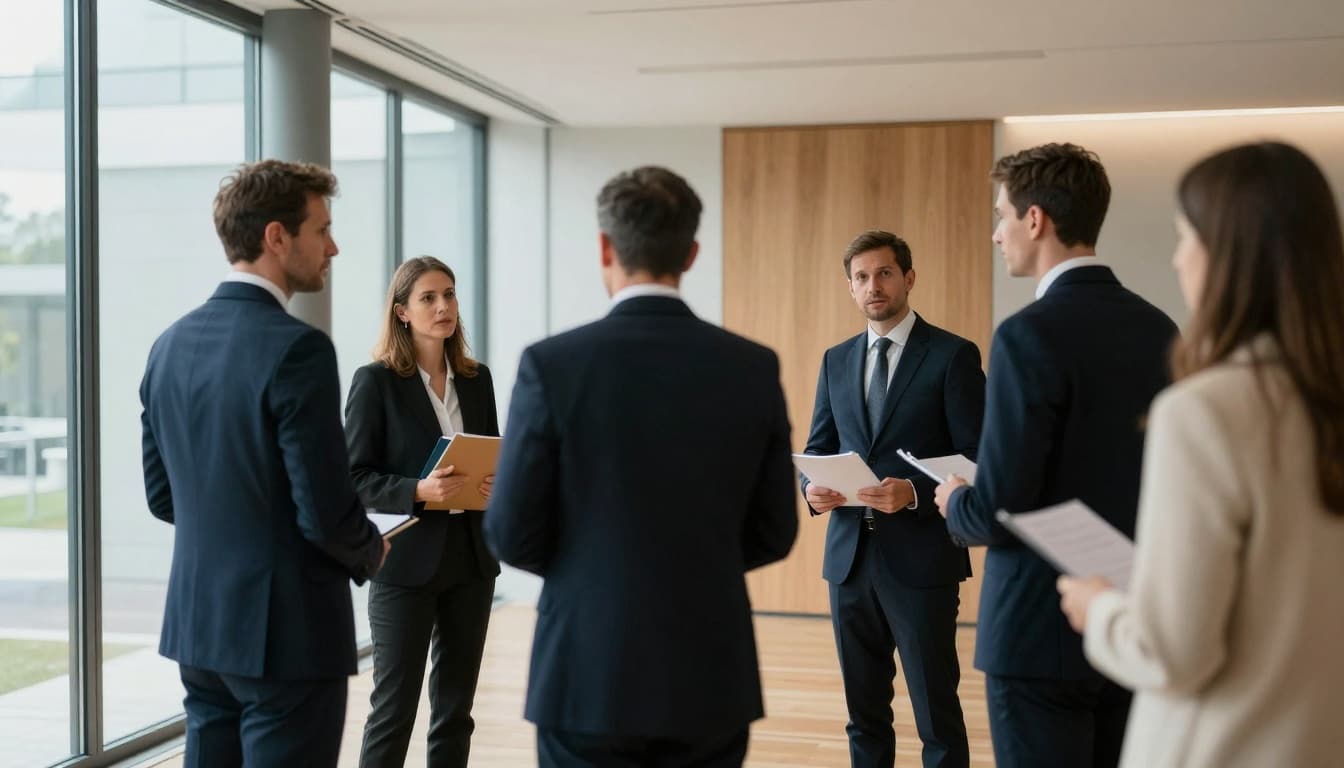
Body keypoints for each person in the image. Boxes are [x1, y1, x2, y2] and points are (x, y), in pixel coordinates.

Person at [484, 165, 798, 768]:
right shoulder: (751, 367)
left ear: (605, 247)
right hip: (710, 672)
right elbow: (774, 531)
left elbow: (509, 532)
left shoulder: (552, 365)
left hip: (586, 672)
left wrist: (590, 573)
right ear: (693, 252)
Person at [1057, 141, 1344, 768]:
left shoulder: (1205, 411)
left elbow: (1172, 651)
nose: (1177, 257)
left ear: (1230, 256)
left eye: (1186, 236)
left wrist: (1099, 608)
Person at [932, 143, 1178, 768]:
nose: (996, 234)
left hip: (1036, 632)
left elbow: (999, 507)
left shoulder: (1026, 335)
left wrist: (956, 500)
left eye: (1001, 215)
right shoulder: (1160, 330)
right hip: (1129, 612)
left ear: (1034, 219)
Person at [140, 159, 388, 766]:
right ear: (277, 237)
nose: (333, 246)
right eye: (321, 229)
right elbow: (325, 512)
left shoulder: (168, 344)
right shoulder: (297, 349)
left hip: (200, 629)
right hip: (287, 637)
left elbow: (163, 496)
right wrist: (371, 549)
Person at [801, 230, 983, 768]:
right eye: (861, 277)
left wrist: (916, 493)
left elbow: (978, 456)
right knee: (863, 715)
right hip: (849, 561)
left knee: (937, 716)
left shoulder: (953, 355)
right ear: (850, 288)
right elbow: (818, 446)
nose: (872, 286)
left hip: (922, 560)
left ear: (908, 278)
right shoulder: (836, 360)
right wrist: (812, 489)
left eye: (883, 273)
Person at [345, 256, 500, 767]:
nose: (444, 307)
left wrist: (497, 481)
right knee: (394, 710)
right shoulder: (375, 382)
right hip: (404, 562)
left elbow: (490, 451)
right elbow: (353, 477)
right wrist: (418, 489)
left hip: (471, 561)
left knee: (456, 712)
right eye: (429, 298)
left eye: (450, 295)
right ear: (403, 312)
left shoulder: (477, 380)